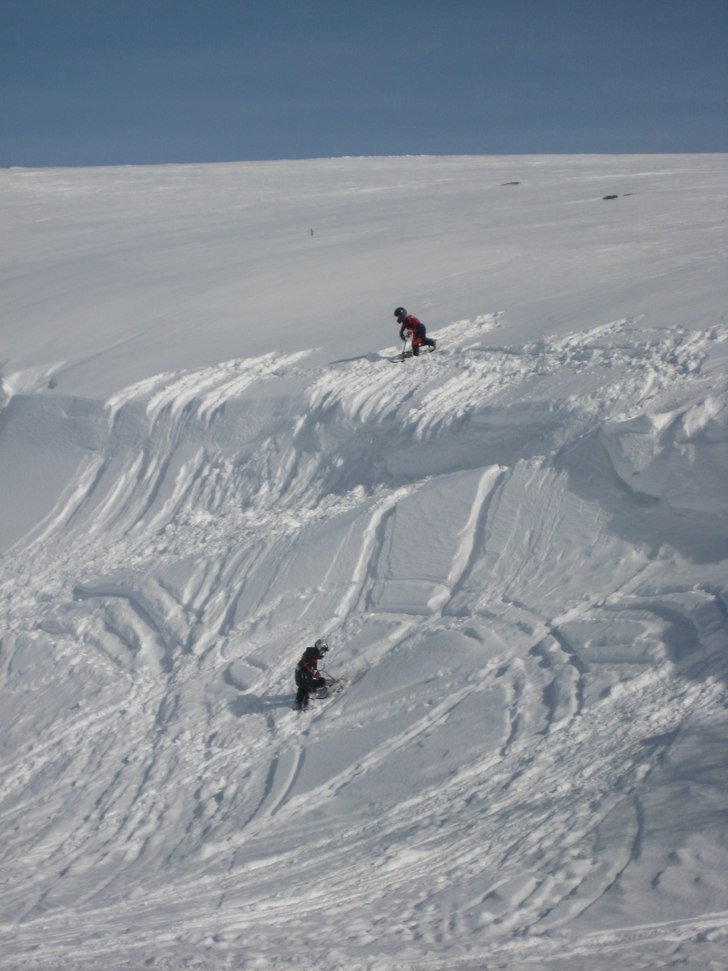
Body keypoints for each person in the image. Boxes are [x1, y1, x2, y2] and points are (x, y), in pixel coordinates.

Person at [295, 638, 330, 710]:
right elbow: (307, 664)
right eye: (322, 652)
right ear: (318, 649)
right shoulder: (310, 653)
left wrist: (315, 672)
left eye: (324, 652)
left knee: (319, 681)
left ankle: (298, 702)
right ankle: (308, 703)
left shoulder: (313, 655)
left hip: (301, 676)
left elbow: (311, 668)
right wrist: (314, 672)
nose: (323, 654)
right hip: (302, 676)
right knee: (309, 686)